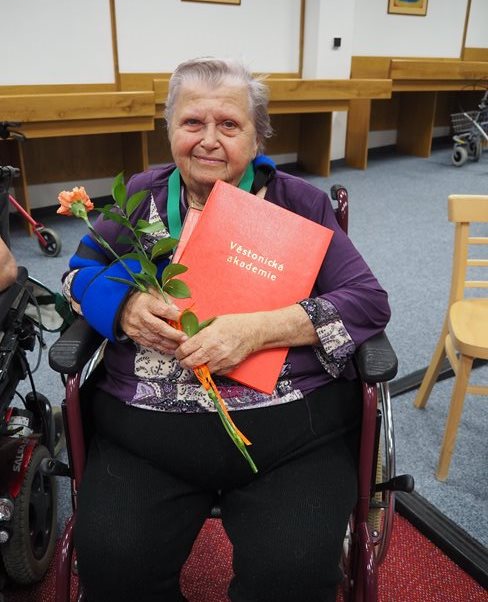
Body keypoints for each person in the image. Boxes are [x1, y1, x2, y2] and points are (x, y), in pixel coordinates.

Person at [62, 57, 391, 602]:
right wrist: (122, 307)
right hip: (145, 435)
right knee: (114, 571)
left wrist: (259, 330)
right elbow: (76, 276)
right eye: (192, 122)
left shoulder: (300, 204)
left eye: (230, 125)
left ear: (258, 137)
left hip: (290, 435)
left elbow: (367, 303)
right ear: (170, 129)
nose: (209, 140)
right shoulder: (140, 199)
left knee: (292, 579)